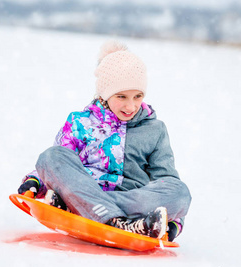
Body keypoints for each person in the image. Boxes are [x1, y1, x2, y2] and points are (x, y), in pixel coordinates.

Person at [18, 41, 191, 241]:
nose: (131, 105)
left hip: (131, 197)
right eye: (121, 96)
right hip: (86, 186)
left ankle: (81, 207)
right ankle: (120, 220)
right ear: (105, 94)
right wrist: (35, 181)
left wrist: (174, 224)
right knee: (50, 156)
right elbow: (59, 167)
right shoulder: (81, 121)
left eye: (138, 96)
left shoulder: (155, 130)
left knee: (180, 192)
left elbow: (166, 180)